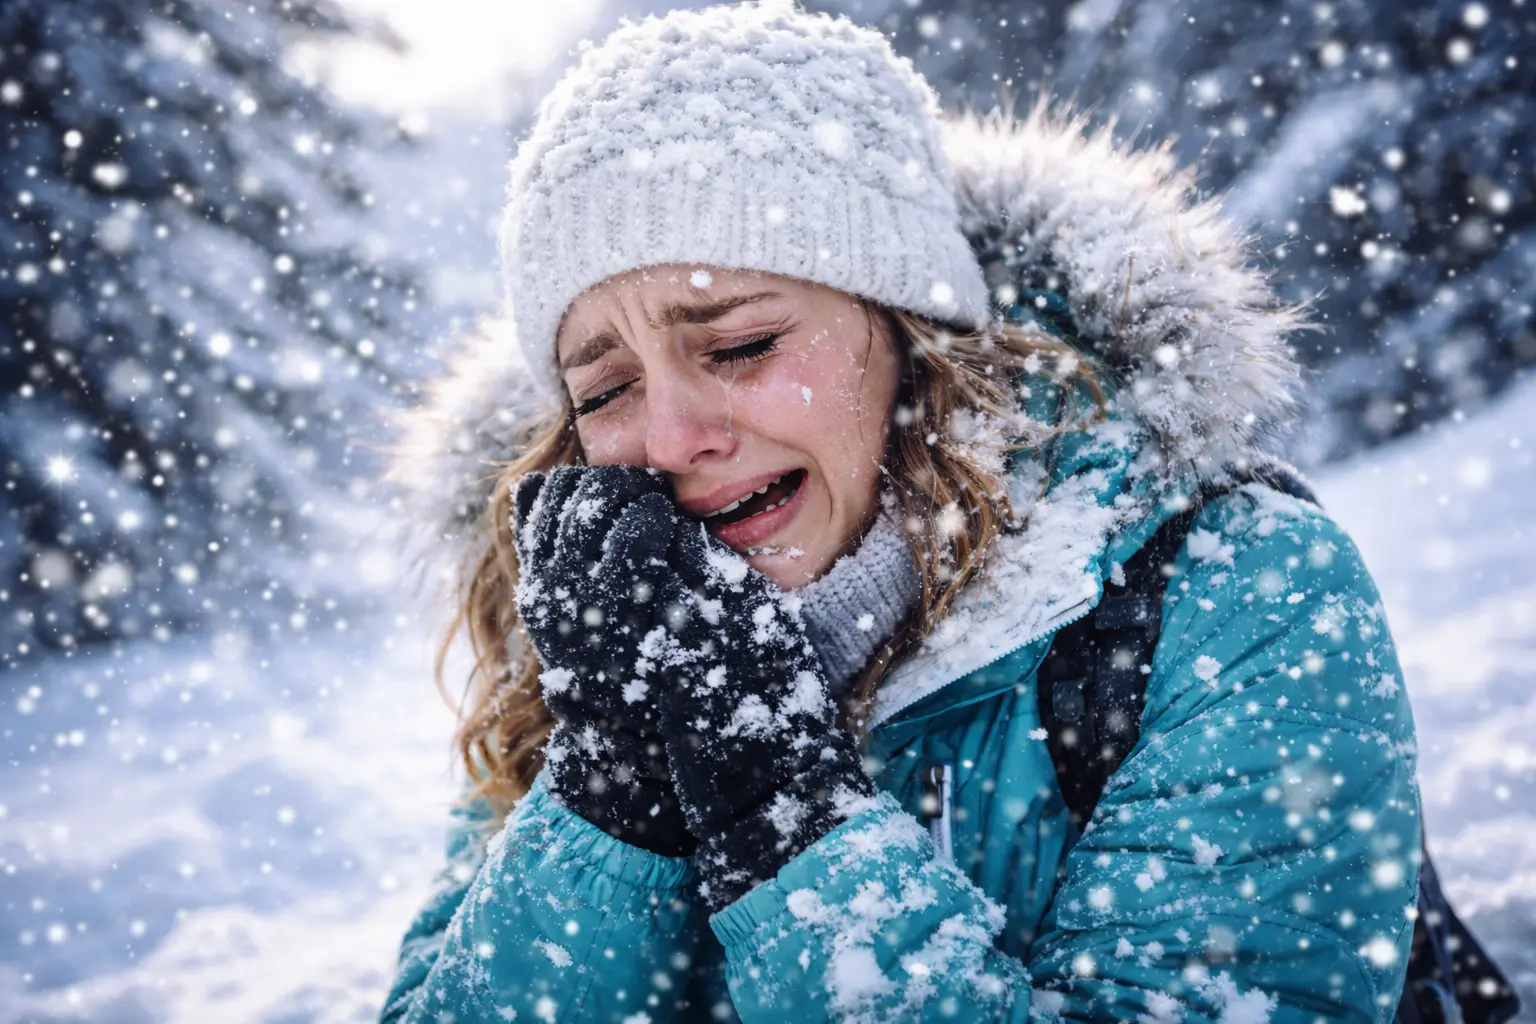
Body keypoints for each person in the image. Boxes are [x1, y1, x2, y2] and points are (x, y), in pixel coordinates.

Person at [380, 3, 1421, 1021]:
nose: (667, 438)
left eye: (738, 346)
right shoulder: (587, 653)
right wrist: (605, 805)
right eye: (604, 391)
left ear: (915, 335)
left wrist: (787, 824)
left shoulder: (1237, 595)